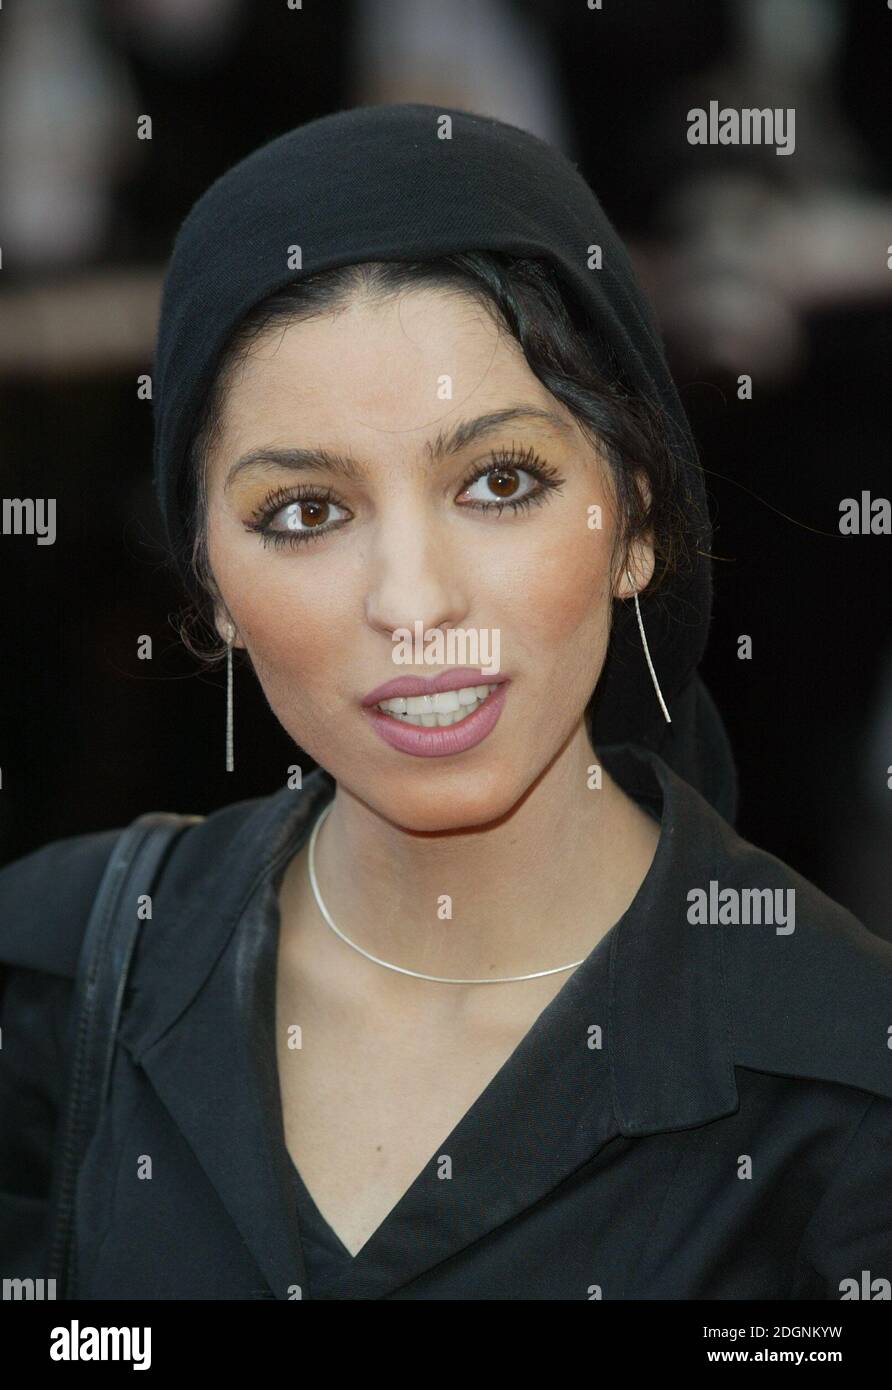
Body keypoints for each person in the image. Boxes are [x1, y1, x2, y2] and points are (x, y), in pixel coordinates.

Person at [1, 103, 890, 1302]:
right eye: (305, 511)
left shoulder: (842, 1086)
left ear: (635, 519)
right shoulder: (51, 973)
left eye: (499, 481)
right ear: (209, 580)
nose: (413, 601)